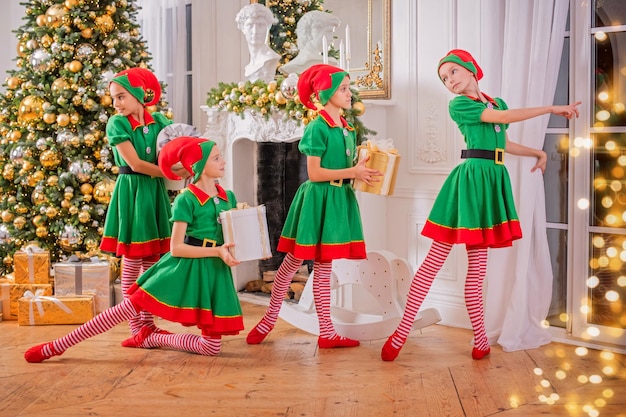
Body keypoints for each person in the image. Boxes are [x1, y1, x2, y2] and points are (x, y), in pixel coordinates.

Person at [381, 49, 581, 362]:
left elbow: (502, 142)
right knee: (434, 261)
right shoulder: (459, 105)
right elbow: (501, 119)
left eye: (453, 73)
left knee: (477, 270)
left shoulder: (495, 102)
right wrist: (552, 108)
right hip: (470, 182)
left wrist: (536, 153)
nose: (450, 81)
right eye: (445, 78)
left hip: (491, 182)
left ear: (471, 69)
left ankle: (481, 339)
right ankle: (401, 331)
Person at [24, 137, 244, 363]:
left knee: (211, 347)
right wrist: (217, 251)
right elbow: (176, 248)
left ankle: (152, 338)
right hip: (183, 267)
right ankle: (57, 345)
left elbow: (233, 236)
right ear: (197, 165)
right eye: (216, 158)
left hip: (215, 272)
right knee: (126, 308)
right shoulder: (186, 199)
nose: (223, 161)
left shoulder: (229, 197)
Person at [246, 64, 381, 349]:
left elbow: (346, 167)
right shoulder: (318, 127)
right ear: (327, 92)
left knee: (323, 267)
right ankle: (269, 318)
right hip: (316, 200)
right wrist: (351, 173)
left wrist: (360, 169)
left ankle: (327, 334)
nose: (349, 93)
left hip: (337, 201)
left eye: (348, 88)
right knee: (294, 261)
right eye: (343, 88)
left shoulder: (346, 127)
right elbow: (316, 174)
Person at [98, 67, 175, 341]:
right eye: (114, 99)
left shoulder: (162, 123)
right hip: (132, 191)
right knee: (133, 259)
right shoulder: (117, 124)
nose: (116, 104)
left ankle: (148, 325)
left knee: (153, 261)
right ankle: (135, 327)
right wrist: (173, 172)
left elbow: (177, 147)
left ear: (140, 94)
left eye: (121, 97)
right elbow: (136, 164)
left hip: (153, 192)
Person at [279, 11, 340, 76]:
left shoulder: (331, 62)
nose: (331, 39)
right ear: (312, 33)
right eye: (328, 32)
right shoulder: (330, 62)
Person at [236, 3, 281, 83]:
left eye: (261, 25)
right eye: (250, 25)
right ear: (243, 28)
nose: (255, 31)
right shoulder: (251, 64)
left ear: (267, 28)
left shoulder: (270, 58)